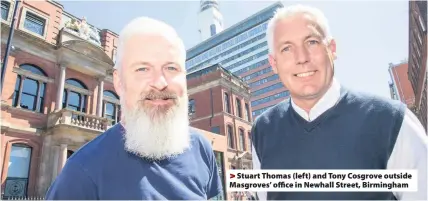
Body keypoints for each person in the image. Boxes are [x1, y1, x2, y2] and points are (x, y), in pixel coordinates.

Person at [251, 4, 428, 200]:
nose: (301, 58)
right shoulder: (263, 131)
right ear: (273, 63)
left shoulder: (392, 122)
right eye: (286, 48)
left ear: (332, 48)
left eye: (311, 42)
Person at [45, 17, 223, 200]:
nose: (160, 83)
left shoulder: (201, 148)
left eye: (171, 68)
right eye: (142, 69)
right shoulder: (81, 174)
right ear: (119, 82)